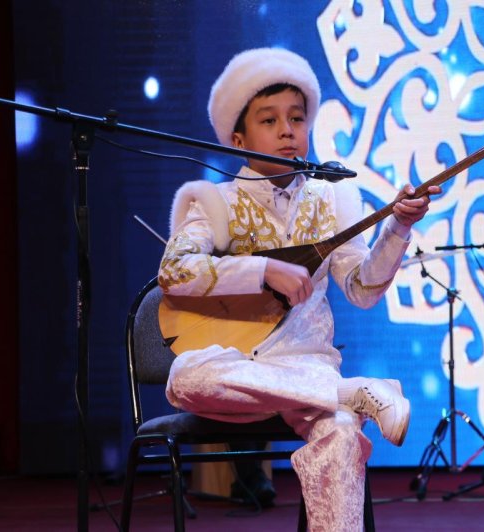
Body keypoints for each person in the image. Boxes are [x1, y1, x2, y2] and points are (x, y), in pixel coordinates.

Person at [159, 47, 440, 530]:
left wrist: (397, 228)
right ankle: (350, 391)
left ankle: (340, 397)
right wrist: (261, 270)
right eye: (269, 120)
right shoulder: (215, 202)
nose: (287, 130)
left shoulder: (332, 199)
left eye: (296, 118)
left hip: (308, 364)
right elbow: (174, 270)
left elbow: (362, 289)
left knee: (342, 432)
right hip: (241, 366)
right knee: (184, 377)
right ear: (239, 138)